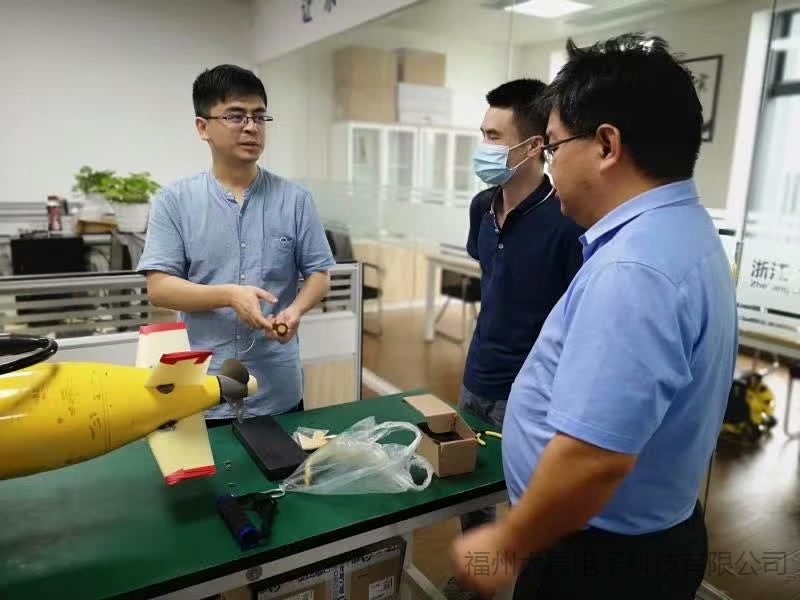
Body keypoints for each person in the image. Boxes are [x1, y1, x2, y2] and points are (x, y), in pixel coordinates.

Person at [450, 34, 738, 600]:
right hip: (647, 535)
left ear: (606, 145)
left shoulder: (634, 269)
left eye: (556, 147)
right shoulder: (684, 230)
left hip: (598, 560)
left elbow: (593, 459)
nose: (552, 163)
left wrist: (507, 544)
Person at [443, 79, 584, 600]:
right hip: (477, 375)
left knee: (529, 504)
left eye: (493, 136)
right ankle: (478, 582)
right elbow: (492, 280)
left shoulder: (566, 221)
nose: (482, 146)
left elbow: (577, 317)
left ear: (534, 145)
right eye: (482, 133)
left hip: (531, 392)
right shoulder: (482, 206)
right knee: (471, 493)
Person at [137, 64, 335, 424]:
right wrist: (229, 295)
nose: (251, 127)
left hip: (277, 387)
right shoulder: (174, 201)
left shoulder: (295, 199)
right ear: (203, 127)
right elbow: (159, 288)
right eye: (235, 116)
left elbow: (319, 274)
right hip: (203, 387)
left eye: (259, 116)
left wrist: (295, 311)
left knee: (285, 462)